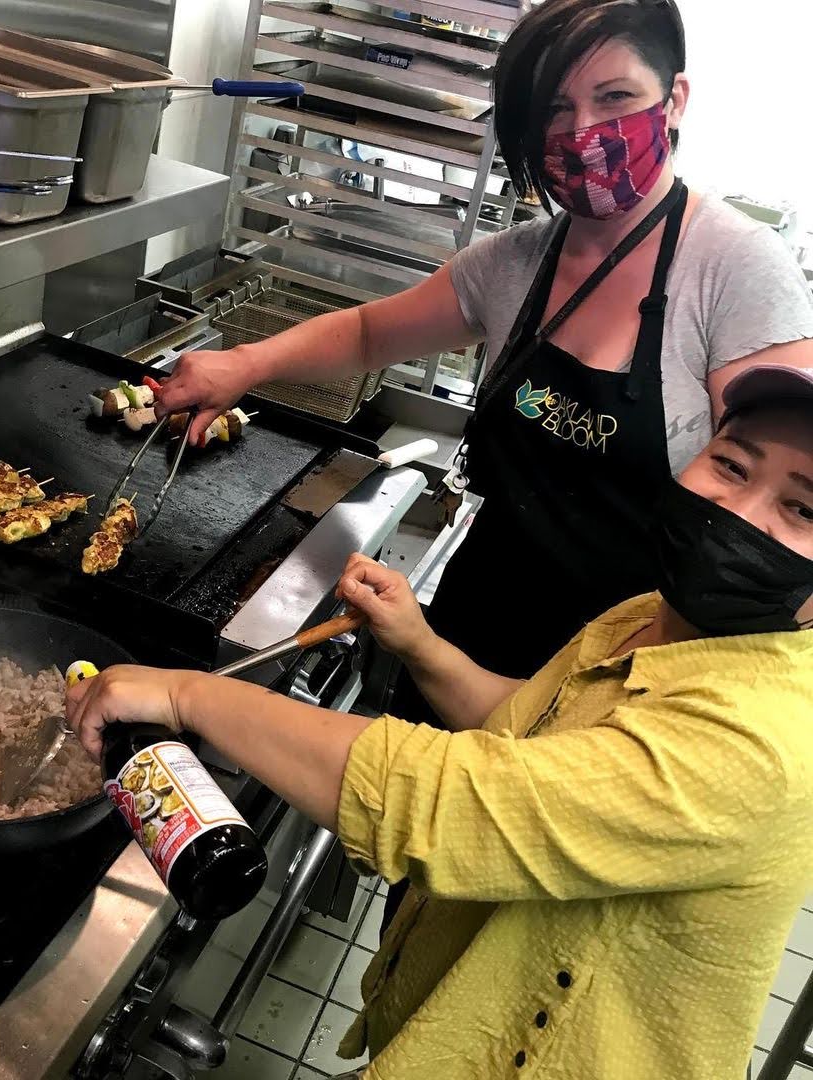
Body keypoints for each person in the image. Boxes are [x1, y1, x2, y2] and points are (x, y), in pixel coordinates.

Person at [156, 0, 813, 935]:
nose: (583, 134)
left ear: (675, 100)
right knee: (427, 905)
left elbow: (785, 484)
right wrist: (240, 365)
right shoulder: (519, 263)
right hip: (479, 619)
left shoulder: (734, 271)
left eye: (614, 96)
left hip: (626, 665)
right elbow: (373, 330)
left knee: (527, 932)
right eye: (553, 109)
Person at [68, 365, 813, 1080]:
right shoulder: (654, 618)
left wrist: (187, 696)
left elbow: (457, 804)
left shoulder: (763, 743)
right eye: (733, 466)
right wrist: (418, 643)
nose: (738, 516)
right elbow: (522, 729)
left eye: (804, 509)